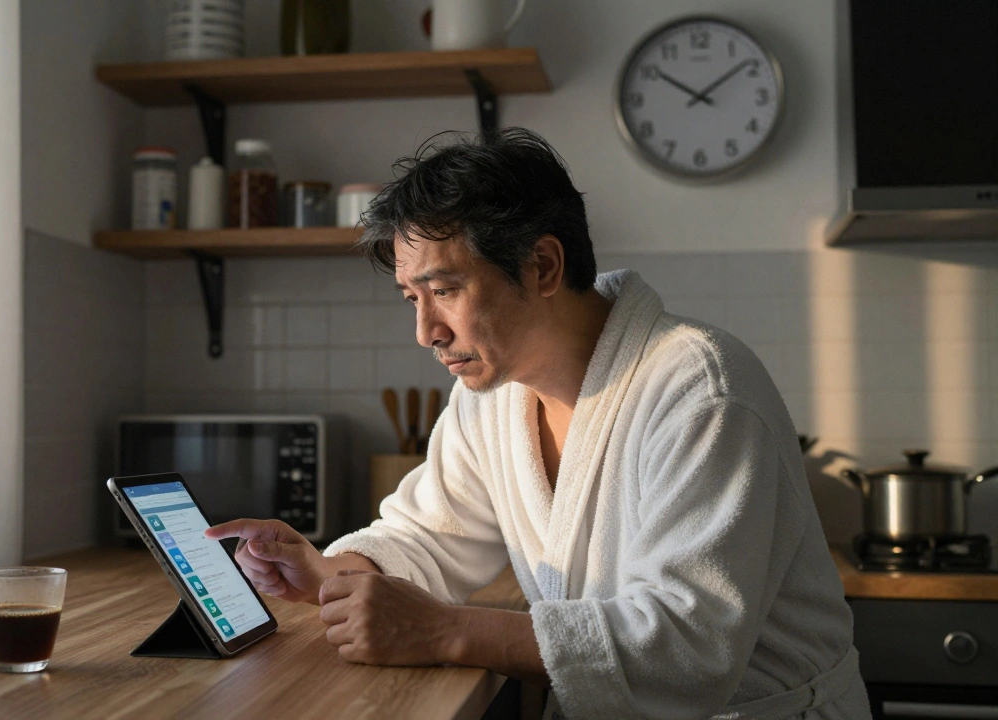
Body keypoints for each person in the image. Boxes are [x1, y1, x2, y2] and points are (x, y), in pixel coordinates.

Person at [205, 128, 871, 720]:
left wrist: (445, 631)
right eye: (412, 298)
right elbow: (431, 536)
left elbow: (686, 648)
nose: (425, 332)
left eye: (445, 291)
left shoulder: (699, 389)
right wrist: (326, 570)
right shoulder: (489, 394)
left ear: (544, 265)